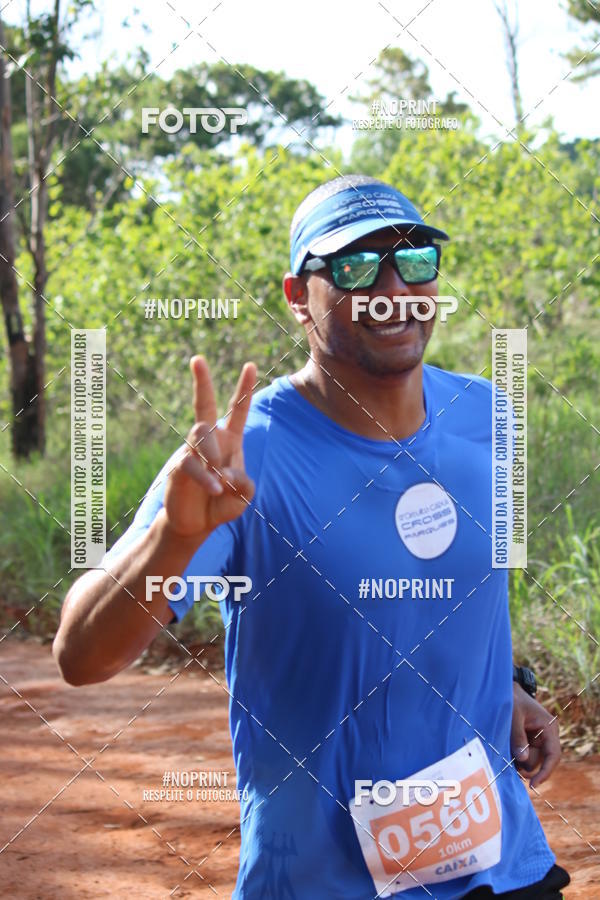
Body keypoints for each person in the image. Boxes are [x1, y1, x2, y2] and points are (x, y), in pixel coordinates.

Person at [53, 175, 570, 898]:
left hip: (500, 866)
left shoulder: (490, 418)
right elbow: (80, 656)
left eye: (414, 260)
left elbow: (469, 597)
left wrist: (505, 685)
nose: (391, 289)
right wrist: (173, 537)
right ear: (299, 297)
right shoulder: (247, 455)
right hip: (323, 883)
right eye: (355, 268)